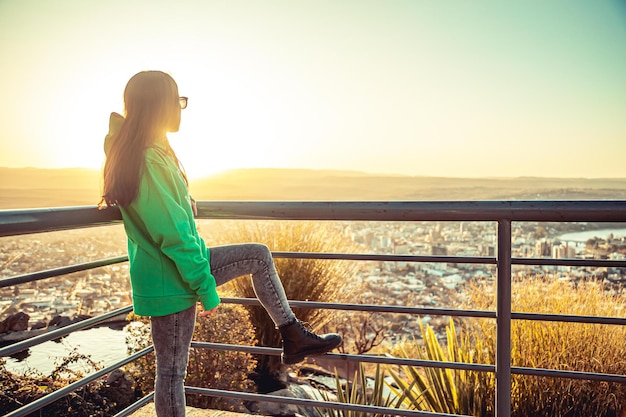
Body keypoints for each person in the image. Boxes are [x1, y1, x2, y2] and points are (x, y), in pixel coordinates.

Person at [100, 70, 342, 417]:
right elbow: (173, 233)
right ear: (157, 106)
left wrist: (184, 198)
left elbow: (163, 209)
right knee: (171, 374)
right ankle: (293, 336)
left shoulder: (145, 152)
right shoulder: (149, 158)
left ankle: (293, 335)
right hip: (175, 276)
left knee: (258, 256)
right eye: (176, 101)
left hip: (171, 270)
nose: (180, 108)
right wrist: (205, 287)